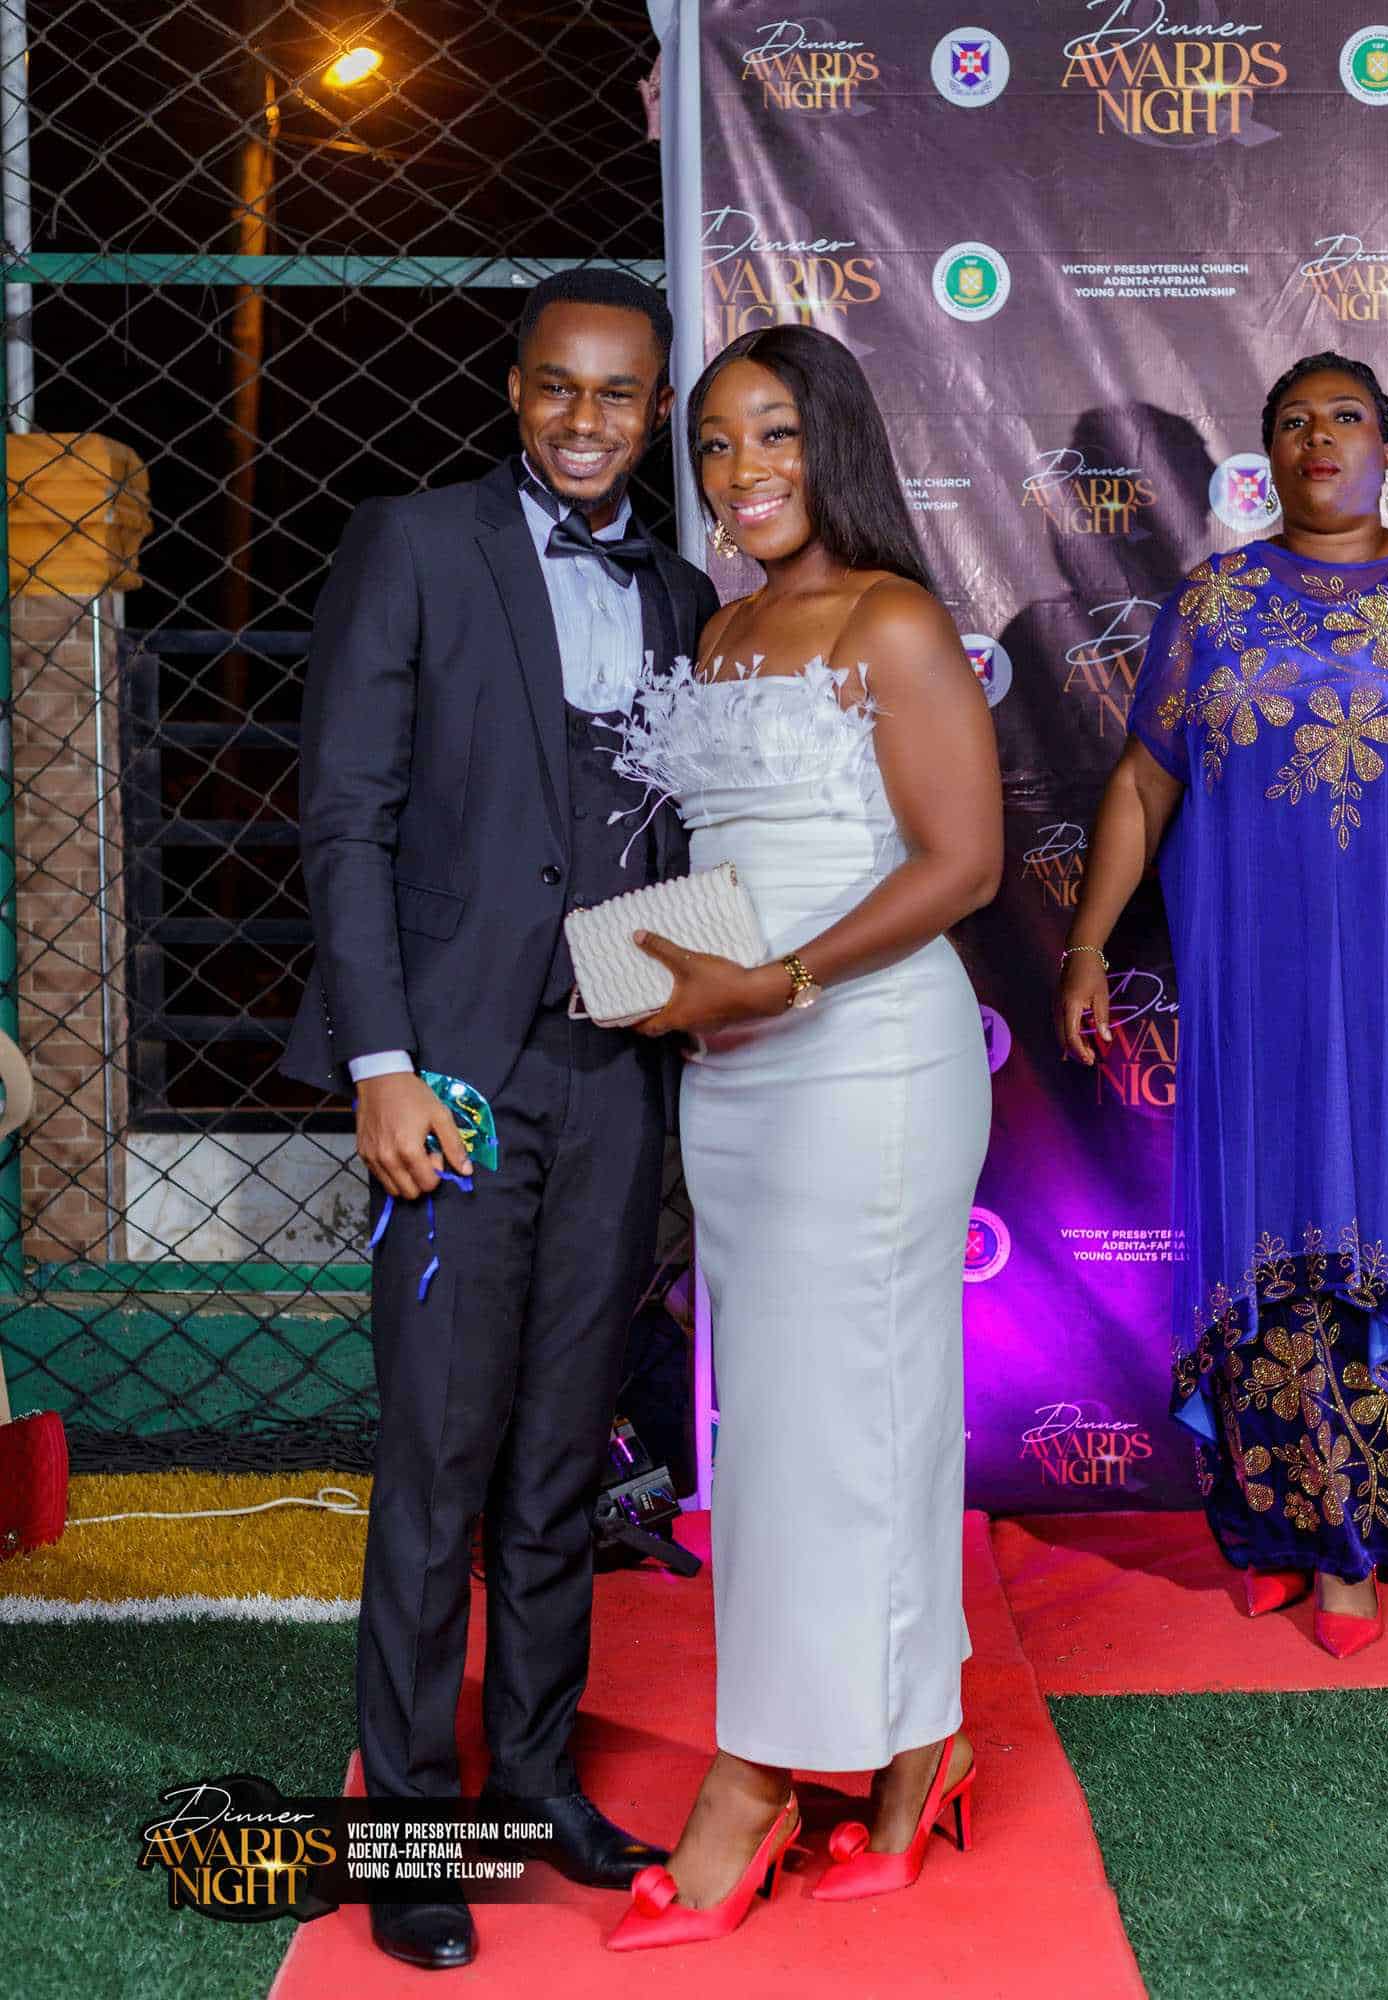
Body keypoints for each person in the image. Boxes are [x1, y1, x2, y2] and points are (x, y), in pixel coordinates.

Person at [281, 268, 719, 1971]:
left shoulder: (682, 592)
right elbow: (345, 817)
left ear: (654, 410)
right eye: (558, 386)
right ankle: (408, 1832)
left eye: (618, 394)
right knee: (437, 1460)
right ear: (516, 390)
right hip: (451, 1075)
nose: (584, 420)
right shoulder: (413, 544)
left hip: (612, 1073)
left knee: (559, 1457)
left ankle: (531, 1784)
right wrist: (380, 1063)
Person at [598, 323, 1003, 1950]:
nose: (740, 470)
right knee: (800, 1424)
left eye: (771, 434)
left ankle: (753, 1779)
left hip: (869, 1064)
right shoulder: (722, 628)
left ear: (830, 441)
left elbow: (962, 863)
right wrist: (669, 974)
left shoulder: (888, 616)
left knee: (837, 1426)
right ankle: (917, 1751)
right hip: (739, 1073)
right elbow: (737, 856)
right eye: (712, 443)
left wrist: (776, 980)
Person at [1058, 351, 1388, 1658]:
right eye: (1291, 422)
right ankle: (1284, 1528)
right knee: (1278, 1245)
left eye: (1345, 417)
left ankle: (1364, 1540)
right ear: (1264, 458)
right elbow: (1141, 782)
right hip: (1261, 992)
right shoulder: (1215, 602)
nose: (1318, 438)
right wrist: (1087, 944)